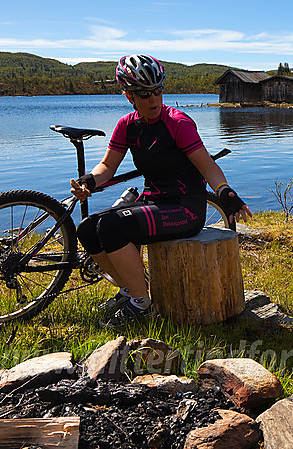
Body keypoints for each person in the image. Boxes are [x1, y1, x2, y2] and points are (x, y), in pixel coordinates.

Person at [71, 54, 252, 327]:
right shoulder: (126, 126)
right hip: (154, 201)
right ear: (129, 96)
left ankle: (142, 306)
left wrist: (225, 192)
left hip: (185, 208)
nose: (154, 99)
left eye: (158, 91)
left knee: (110, 226)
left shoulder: (177, 123)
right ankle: (131, 290)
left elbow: (207, 165)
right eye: (144, 94)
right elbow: (107, 165)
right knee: (87, 228)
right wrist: (90, 181)